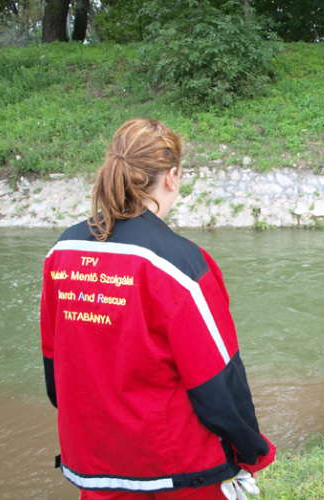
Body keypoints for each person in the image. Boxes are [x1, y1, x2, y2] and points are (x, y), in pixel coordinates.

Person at [40, 119, 275, 499]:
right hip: (178, 472)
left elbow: (55, 370)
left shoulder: (62, 251)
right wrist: (253, 450)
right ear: (172, 176)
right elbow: (218, 382)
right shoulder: (179, 263)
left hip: (97, 468)